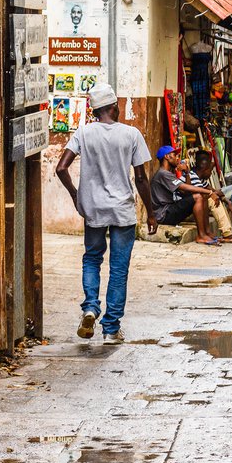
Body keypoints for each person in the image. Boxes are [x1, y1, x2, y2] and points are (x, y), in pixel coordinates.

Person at [55, 83, 157, 342]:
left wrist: (76, 195)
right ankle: (111, 328)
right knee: (119, 269)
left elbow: (61, 168)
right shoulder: (131, 134)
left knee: (92, 258)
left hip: (94, 209)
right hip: (122, 210)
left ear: (95, 110)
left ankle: (90, 307)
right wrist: (152, 213)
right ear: (114, 107)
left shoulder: (84, 133)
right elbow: (142, 179)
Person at [150, 146, 223, 245]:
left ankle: (207, 233)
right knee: (199, 196)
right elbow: (186, 188)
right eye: (175, 155)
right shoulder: (163, 174)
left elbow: (186, 193)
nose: (177, 158)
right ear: (167, 157)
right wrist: (210, 192)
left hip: (170, 210)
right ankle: (201, 235)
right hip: (163, 214)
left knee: (202, 196)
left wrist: (187, 173)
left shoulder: (169, 174)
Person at [184, 154, 232, 244]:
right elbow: (204, 195)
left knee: (214, 197)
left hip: (195, 210)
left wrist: (228, 202)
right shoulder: (193, 177)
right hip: (187, 212)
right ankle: (227, 233)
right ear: (205, 169)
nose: (211, 173)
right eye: (210, 170)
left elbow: (216, 192)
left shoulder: (201, 180)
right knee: (211, 199)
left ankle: (222, 232)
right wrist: (213, 195)